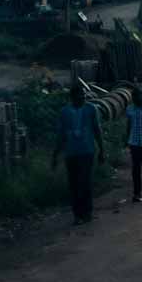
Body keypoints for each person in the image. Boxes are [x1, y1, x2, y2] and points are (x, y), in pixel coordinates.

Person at [52, 85, 106, 225]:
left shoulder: (91, 109)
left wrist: (101, 149)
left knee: (85, 182)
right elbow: (60, 135)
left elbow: (97, 130)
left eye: (83, 95)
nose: (82, 97)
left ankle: (87, 212)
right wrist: (55, 155)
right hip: (71, 153)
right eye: (79, 95)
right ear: (72, 98)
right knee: (74, 185)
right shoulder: (64, 112)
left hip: (87, 151)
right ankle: (77, 214)